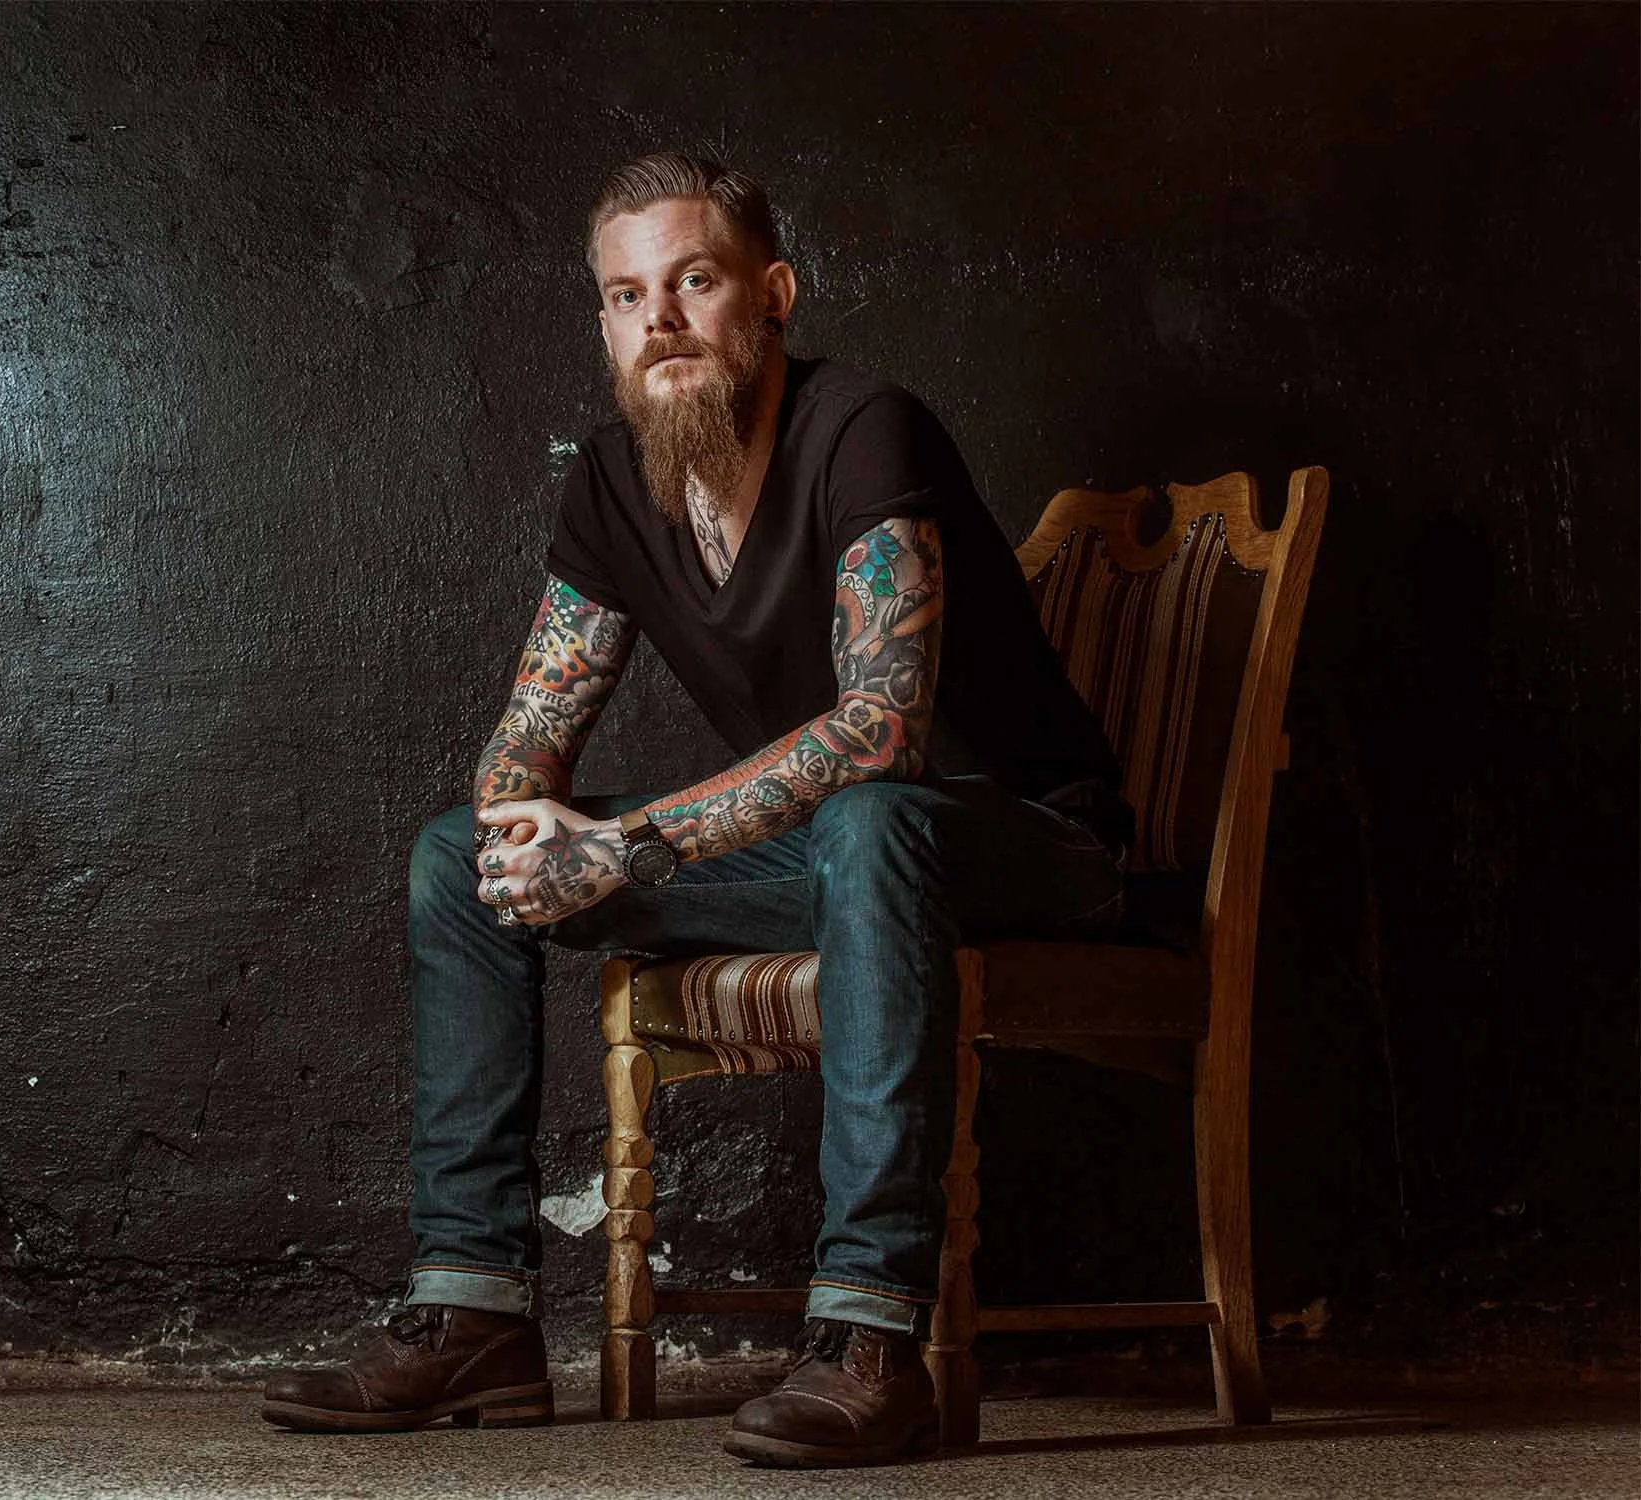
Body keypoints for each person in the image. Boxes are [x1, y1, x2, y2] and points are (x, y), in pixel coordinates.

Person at [261, 151, 1134, 1468]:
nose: (658, 318)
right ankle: (475, 1311)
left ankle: (865, 1341)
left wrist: (626, 845)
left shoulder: (862, 426)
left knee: (871, 817)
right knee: (455, 857)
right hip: (836, 857)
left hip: (1025, 843)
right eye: (625, 295)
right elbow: (529, 736)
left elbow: (880, 728)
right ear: (604, 322)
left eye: (694, 280)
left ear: (769, 294)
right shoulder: (615, 483)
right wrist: (526, 829)